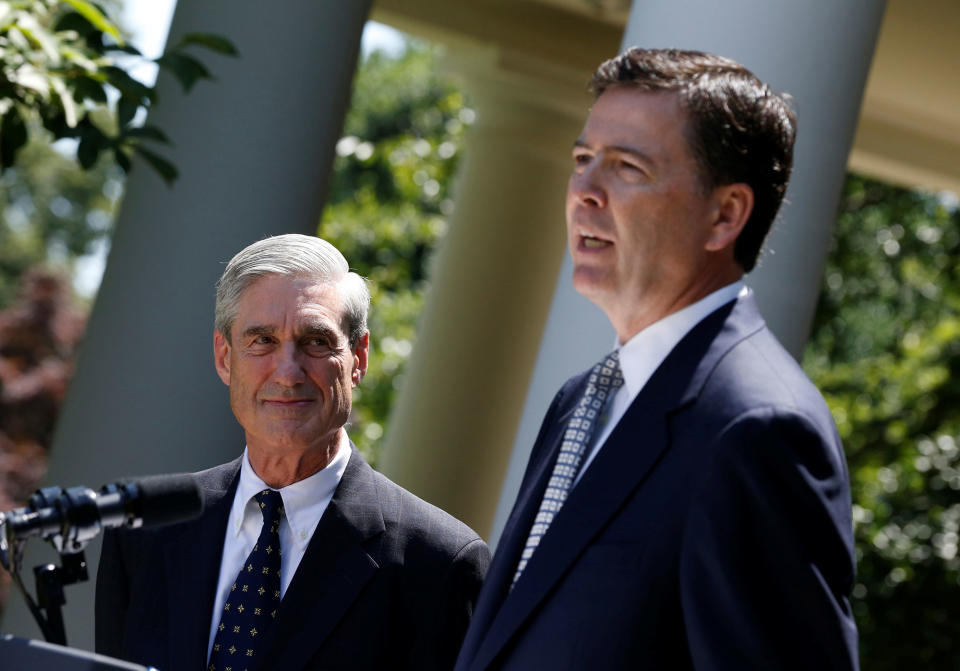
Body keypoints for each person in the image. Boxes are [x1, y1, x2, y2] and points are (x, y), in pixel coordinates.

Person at [454, 48, 859, 670]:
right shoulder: (581, 398)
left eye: (628, 167)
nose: (585, 191)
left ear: (726, 215)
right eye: (583, 160)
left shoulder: (757, 428)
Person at [96, 234, 490, 671]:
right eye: (262, 340)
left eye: (316, 342)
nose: (287, 372)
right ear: (225, 358)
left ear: (358, 358)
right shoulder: (145, 532)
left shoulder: (438, 563)